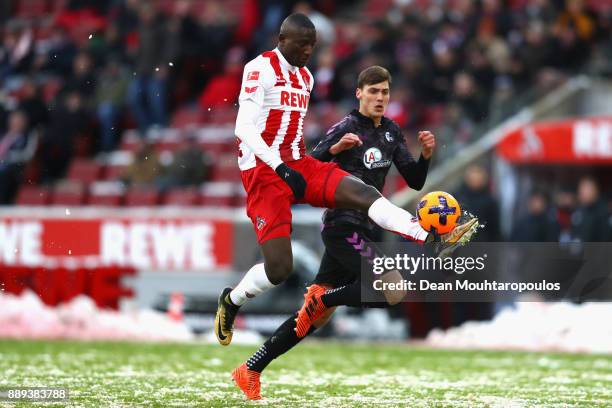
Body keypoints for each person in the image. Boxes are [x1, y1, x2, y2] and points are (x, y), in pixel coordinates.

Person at [214, 14, 478, 353]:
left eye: (312, 46)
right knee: (280, 268)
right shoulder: (259, 68)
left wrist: (313, 157)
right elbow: (244, 128)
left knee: (364, 192)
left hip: (299, 163)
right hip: (264, 173)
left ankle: (430, 237)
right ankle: (232, 301)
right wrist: (281, 167)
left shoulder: (306, 77)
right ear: (282, 39)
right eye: (302, 45)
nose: (308, 52)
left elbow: (290, 131)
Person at [229, 65, 450, 400]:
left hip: (369, 229)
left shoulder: (391, 133)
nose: (379, 98)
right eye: (373, 91)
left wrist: (426, 157)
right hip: (343, 228)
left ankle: (251, 368)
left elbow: (415, 180)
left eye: (385, 92)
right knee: (392, 290)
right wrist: (332, 150)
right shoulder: (345, 127)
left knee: (311, 319)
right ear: (358, 93)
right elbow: (306, 168)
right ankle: (325, 297)